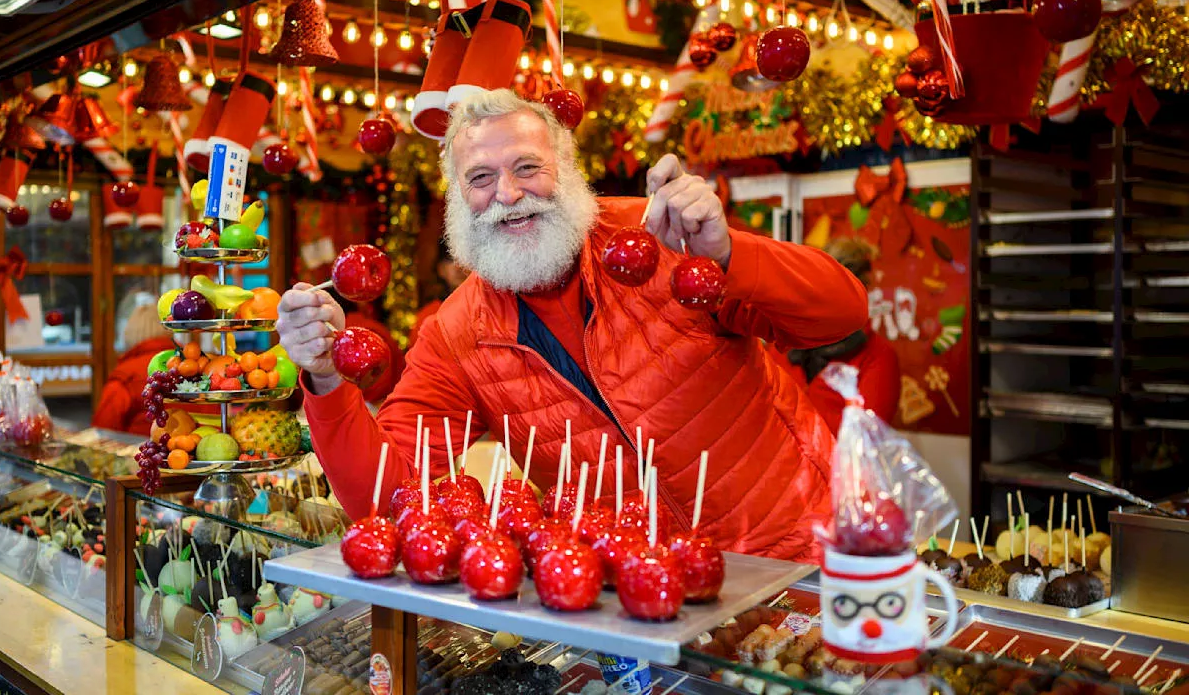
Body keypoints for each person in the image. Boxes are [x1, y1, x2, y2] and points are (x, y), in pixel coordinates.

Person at [277, 90, 868, 562]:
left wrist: (727, 253)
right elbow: (389, 498)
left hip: (799, 556)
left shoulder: (659, 237)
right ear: (458, 200)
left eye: (528, 167)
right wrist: (326, 382)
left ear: (567, 172)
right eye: (480, 179)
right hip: (642, 597)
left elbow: (839, 314)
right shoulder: (455, 334)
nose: (507, 194)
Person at [772, 238, 900, 434]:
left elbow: (866, 439)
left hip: (840, 464)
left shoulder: (878, 356)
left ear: (861, 295)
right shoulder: (782, 345)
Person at [92, 298, 172, 436]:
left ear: (130, 332)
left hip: (140, 454)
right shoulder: (192, 364)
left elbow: (102, 432)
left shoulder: (126, 375)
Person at [409, 241, 470, 349]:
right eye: (450, 260)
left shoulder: (489, 309)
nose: (458, 266)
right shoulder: (430, 315)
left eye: (463, 259)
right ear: (441, 269)